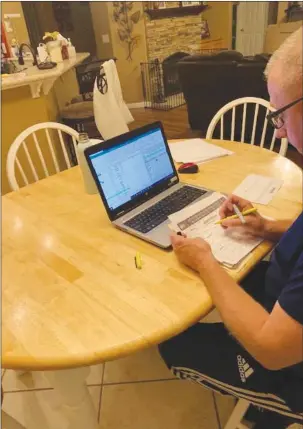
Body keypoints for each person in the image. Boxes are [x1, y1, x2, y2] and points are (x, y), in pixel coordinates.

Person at [159, 27, 303, 429]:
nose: (277, 131)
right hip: (285, 312)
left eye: (279, 115)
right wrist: (267, 227)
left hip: (291, 372)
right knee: (242, 277)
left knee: (175, 343)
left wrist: (206, 262)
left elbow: (273, 350)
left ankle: (270, 407)